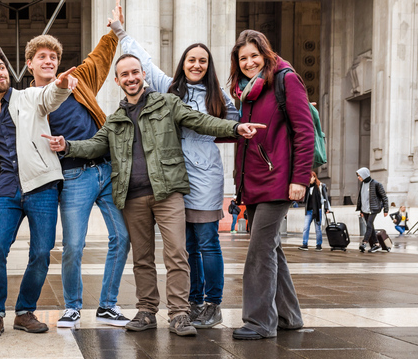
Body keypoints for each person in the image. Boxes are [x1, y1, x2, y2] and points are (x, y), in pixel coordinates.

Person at [44, 53, 264, 337]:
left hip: (167, 192)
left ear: (143, 75)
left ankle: (179, 314)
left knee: (177, 253)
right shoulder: (116, 119)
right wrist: (67, 146)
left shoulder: (168, 103)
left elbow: (200, 121)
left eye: (135, 72)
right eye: (125, 75)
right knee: (143, 258)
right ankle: (147, 310)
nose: (131, 78)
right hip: (133, 198)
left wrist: (234, 127)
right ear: (117, 81)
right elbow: (95, 145)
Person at [108, 15, 238, 330]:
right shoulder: (170, 89)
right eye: (192, 60)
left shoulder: (217, 94)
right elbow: (144, 64)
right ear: (184, 63)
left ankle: (212, 302)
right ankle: (192, 302)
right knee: (188, 244)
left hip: (204, 174)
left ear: (209, 65)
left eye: (203, 61)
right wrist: (120, 31)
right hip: (174, 177)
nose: (197, 65)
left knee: (205, 240)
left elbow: (228, 123)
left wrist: (221, 132)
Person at [26, 0, 129, 329]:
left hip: (105, 170)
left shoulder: (78, 78)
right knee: (72, 246)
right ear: (30, 64)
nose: (50, 61)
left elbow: (100, 56)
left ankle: (108, 305)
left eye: (53, 57)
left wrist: (114, 30)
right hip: (73, 178)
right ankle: (72, 306)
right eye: (42, 56)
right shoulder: (29, 101)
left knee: (122, 237)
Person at [0, 47, 77, 336]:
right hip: (6, 192)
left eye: (2, 67)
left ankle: (25, 311)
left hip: (41, 186)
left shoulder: (28, 97)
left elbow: (49, 95)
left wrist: (61, 85)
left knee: (41, 252)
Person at [228, 29, 313, 341]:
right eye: (243, 58)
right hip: (253, 183)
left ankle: (260, 321)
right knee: (271, 249)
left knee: (259, 251)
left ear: (265, 54)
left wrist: (299, 179)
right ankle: (289, 316)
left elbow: (305, 132)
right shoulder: (246, 92)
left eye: (254, 55)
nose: (249, 62)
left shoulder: (285, 79)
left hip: (278, 181)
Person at [356, 167, 389, 252]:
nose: (358, 177)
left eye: (359, 176)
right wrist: (360, 210)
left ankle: (364, 243)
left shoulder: (376, 184)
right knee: (370, 226)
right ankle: (377, 244)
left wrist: (386, 209)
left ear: (364, 175)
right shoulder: (362, 184)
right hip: (365, 209)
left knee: (369, 225)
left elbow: (384, 197)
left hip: (373, 209)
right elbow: (361, 198)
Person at [298, 171, 329, 251]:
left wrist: (326, 208)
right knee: (305, 227)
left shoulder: (320, 186)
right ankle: (305, 244)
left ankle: (319, 245)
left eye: (312, 177)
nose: (310, 179)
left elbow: (325, 198)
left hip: (317, 210)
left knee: (318, 228)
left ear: (315, 177)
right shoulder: (307, 187)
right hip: (308, 210)